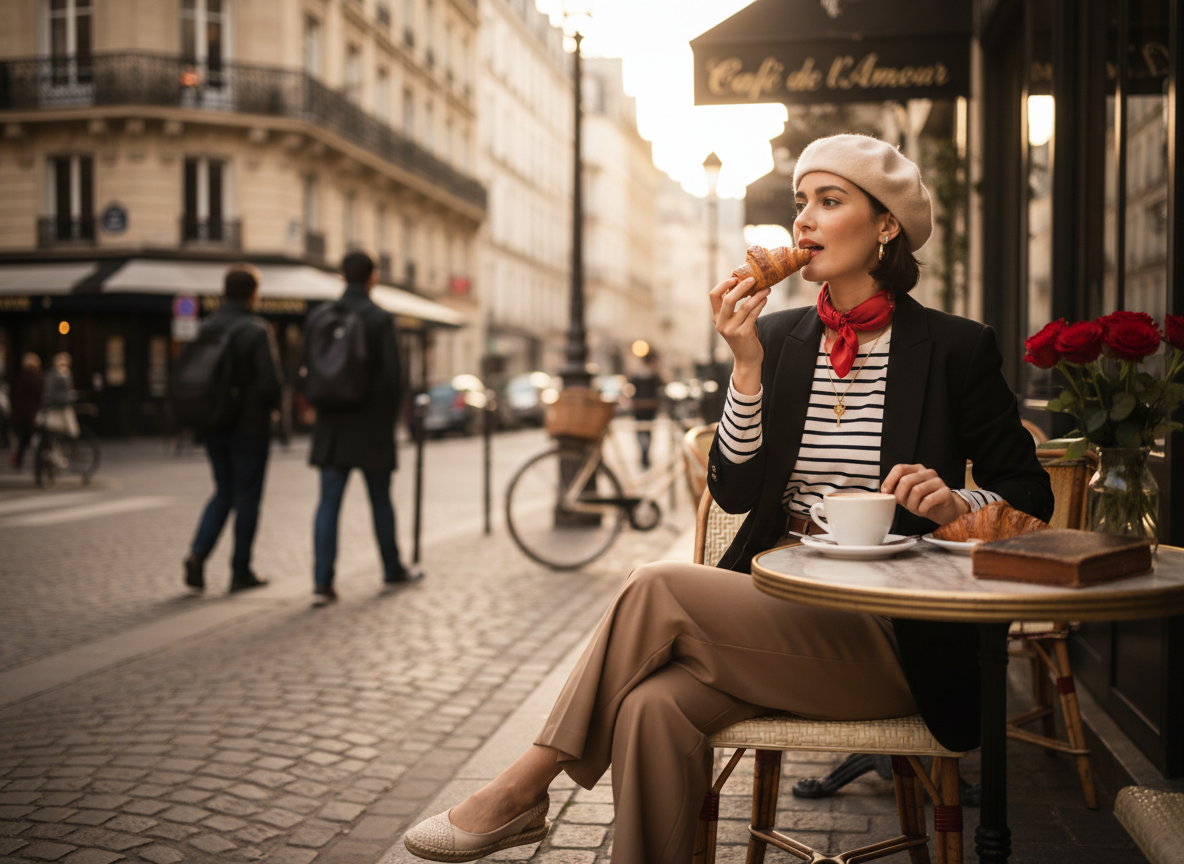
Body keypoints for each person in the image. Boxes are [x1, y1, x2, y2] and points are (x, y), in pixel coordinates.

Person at [402, 134, 1055, 864]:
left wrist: (954, 502)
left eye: (829, 201)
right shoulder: (776, 337)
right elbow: (735, 489)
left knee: (653, 584)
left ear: (885, 226)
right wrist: (746, 368)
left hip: (893, 635)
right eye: (800, 202)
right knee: (652, 709)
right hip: (779, 605)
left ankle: (525, 784)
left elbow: (1030, 493)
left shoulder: (957, 347)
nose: (803, 220)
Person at [305, 250, 422, 608]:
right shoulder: (379, 318)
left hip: (331, 426)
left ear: (341, 276)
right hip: (371, 425)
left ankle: (322, 582)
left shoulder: (319, 316)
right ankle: (391, 568)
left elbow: (306, 368)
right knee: (380, 500)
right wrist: (389, 418)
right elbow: (393, 377)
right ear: (374, 277)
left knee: (328, 503)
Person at [184, 264, 283, 594]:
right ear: (253, 293)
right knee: (247, 497)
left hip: (212, 421)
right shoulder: (255, 330)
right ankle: (240, 570)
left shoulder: (206, 326)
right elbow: (270, 383)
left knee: (223, 490)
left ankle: (198, 554)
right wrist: (274, 411)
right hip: (249, 426)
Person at [628, 352, 663, 469]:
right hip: (645, 407)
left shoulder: (646, 375)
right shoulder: (652, 376)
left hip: (643, 407)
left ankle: (644, 455)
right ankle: (645, 455)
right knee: (646, 432)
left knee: (642, 432)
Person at [9, 353, 43, 470]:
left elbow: (14, 397)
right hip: (31, 414)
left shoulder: (21, 379)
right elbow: (40, 396)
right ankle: (38, 463)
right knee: (32, 438)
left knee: (25, 438)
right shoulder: (37, 378)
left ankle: (19, 460)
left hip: (22, 415)